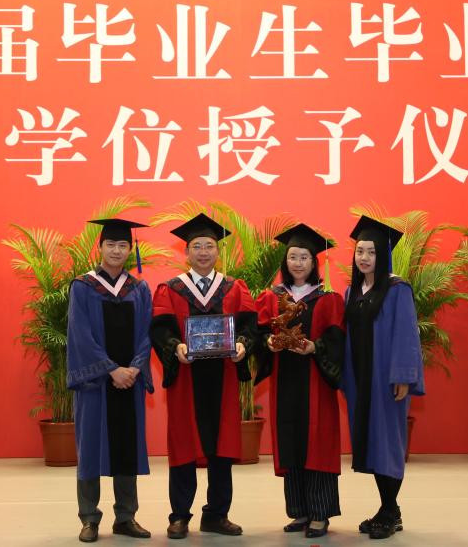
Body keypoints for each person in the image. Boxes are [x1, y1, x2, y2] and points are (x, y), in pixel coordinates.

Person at [149, 213, 258, 539]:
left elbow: (250, 326)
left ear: (217, 251)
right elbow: (160, 329)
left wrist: (243, 344)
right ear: (186, 252)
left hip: (223, 378)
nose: (203, 252)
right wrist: (175, 347)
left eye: (209, 246)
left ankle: (216, 515)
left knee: (222, 446)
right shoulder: (171, 289)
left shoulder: (234, 288)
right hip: (186, 379)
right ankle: (180, 515)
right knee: (183, 444)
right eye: (197, 246)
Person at [254, 223, 345, 539]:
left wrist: (314, 348)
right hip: (285, 382)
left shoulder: (328, 299)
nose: (298, 263)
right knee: (291, 439)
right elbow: (259, 331)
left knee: (317, 441)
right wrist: (266, 343)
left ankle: (320, 514)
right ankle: (300, 511)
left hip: (316, 380)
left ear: (313, 261)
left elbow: (336, 341)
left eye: (304, 257)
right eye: (293, 256)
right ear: (286, 260)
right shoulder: (273, 297)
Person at [67, 218, 154, 543]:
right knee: (90, 449)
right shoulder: (82, 286)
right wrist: (110, 369)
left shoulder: (139, 289)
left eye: (122, 245)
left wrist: (134, 368)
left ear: (130, 249)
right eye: (111, 245)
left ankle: (126, 517)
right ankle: (89, 518)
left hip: (129, 382)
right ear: (100, 247)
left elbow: (147, 332)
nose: (117, 250)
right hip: (96, 384)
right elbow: (80, 334)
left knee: (126, 448)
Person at [342, 215, 425, 540]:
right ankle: (389, 508)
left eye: (372, 252)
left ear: (383, 255)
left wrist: (403, 376)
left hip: (386, 380)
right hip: (360, 379)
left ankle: (389, 511)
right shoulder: (352, 291)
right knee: (371, 443)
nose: (364, 257)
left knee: (388, 442)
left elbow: (406, 334)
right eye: (360, 251)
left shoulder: (396, 288)